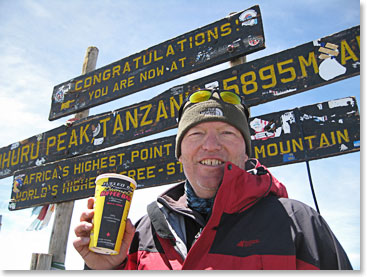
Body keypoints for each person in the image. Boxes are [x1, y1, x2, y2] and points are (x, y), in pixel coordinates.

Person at [73, 88, 353, 270]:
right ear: (180, 155)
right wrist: (106, 268)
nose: (210, 145)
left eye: (227, 133)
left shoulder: (298, 222)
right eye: (195, 134)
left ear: (246, 154)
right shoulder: (142, 233)